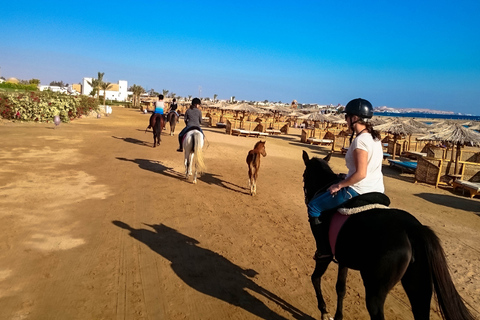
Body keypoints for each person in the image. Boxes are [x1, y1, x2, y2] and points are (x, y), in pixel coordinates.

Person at [307, 98, 384, 259]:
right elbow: (366, 169)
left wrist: (340, 185)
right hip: (377, 189)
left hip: (359, 189)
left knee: (314, 206)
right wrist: (346, 176)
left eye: (346, 117)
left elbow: (361, 174)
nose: (345, 120)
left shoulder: (360, 141)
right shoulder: (374, 139)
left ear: (354, 118)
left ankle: (324, 250)